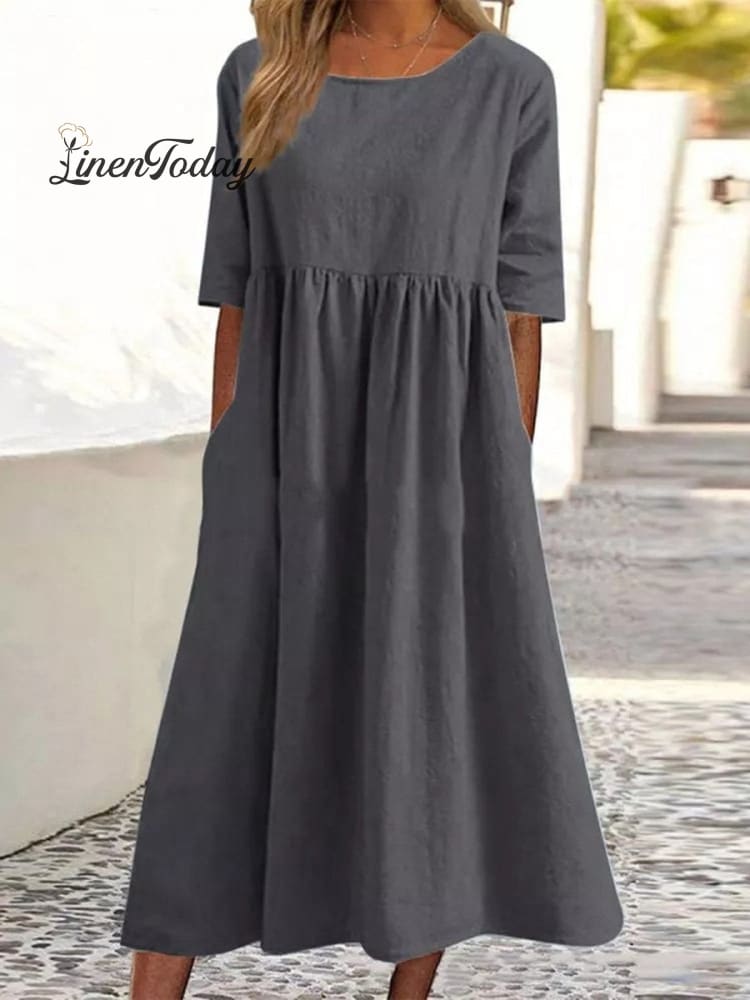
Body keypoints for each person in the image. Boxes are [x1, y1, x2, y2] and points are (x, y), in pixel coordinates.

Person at [120, 2, 624, 997]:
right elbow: (237, 292)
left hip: (443, 459)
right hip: (277, 450)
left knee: (423, 704)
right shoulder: (260, 70)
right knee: (220, 716)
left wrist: (493, 491)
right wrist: (230, 466)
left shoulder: (511, 84)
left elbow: (520, 310)